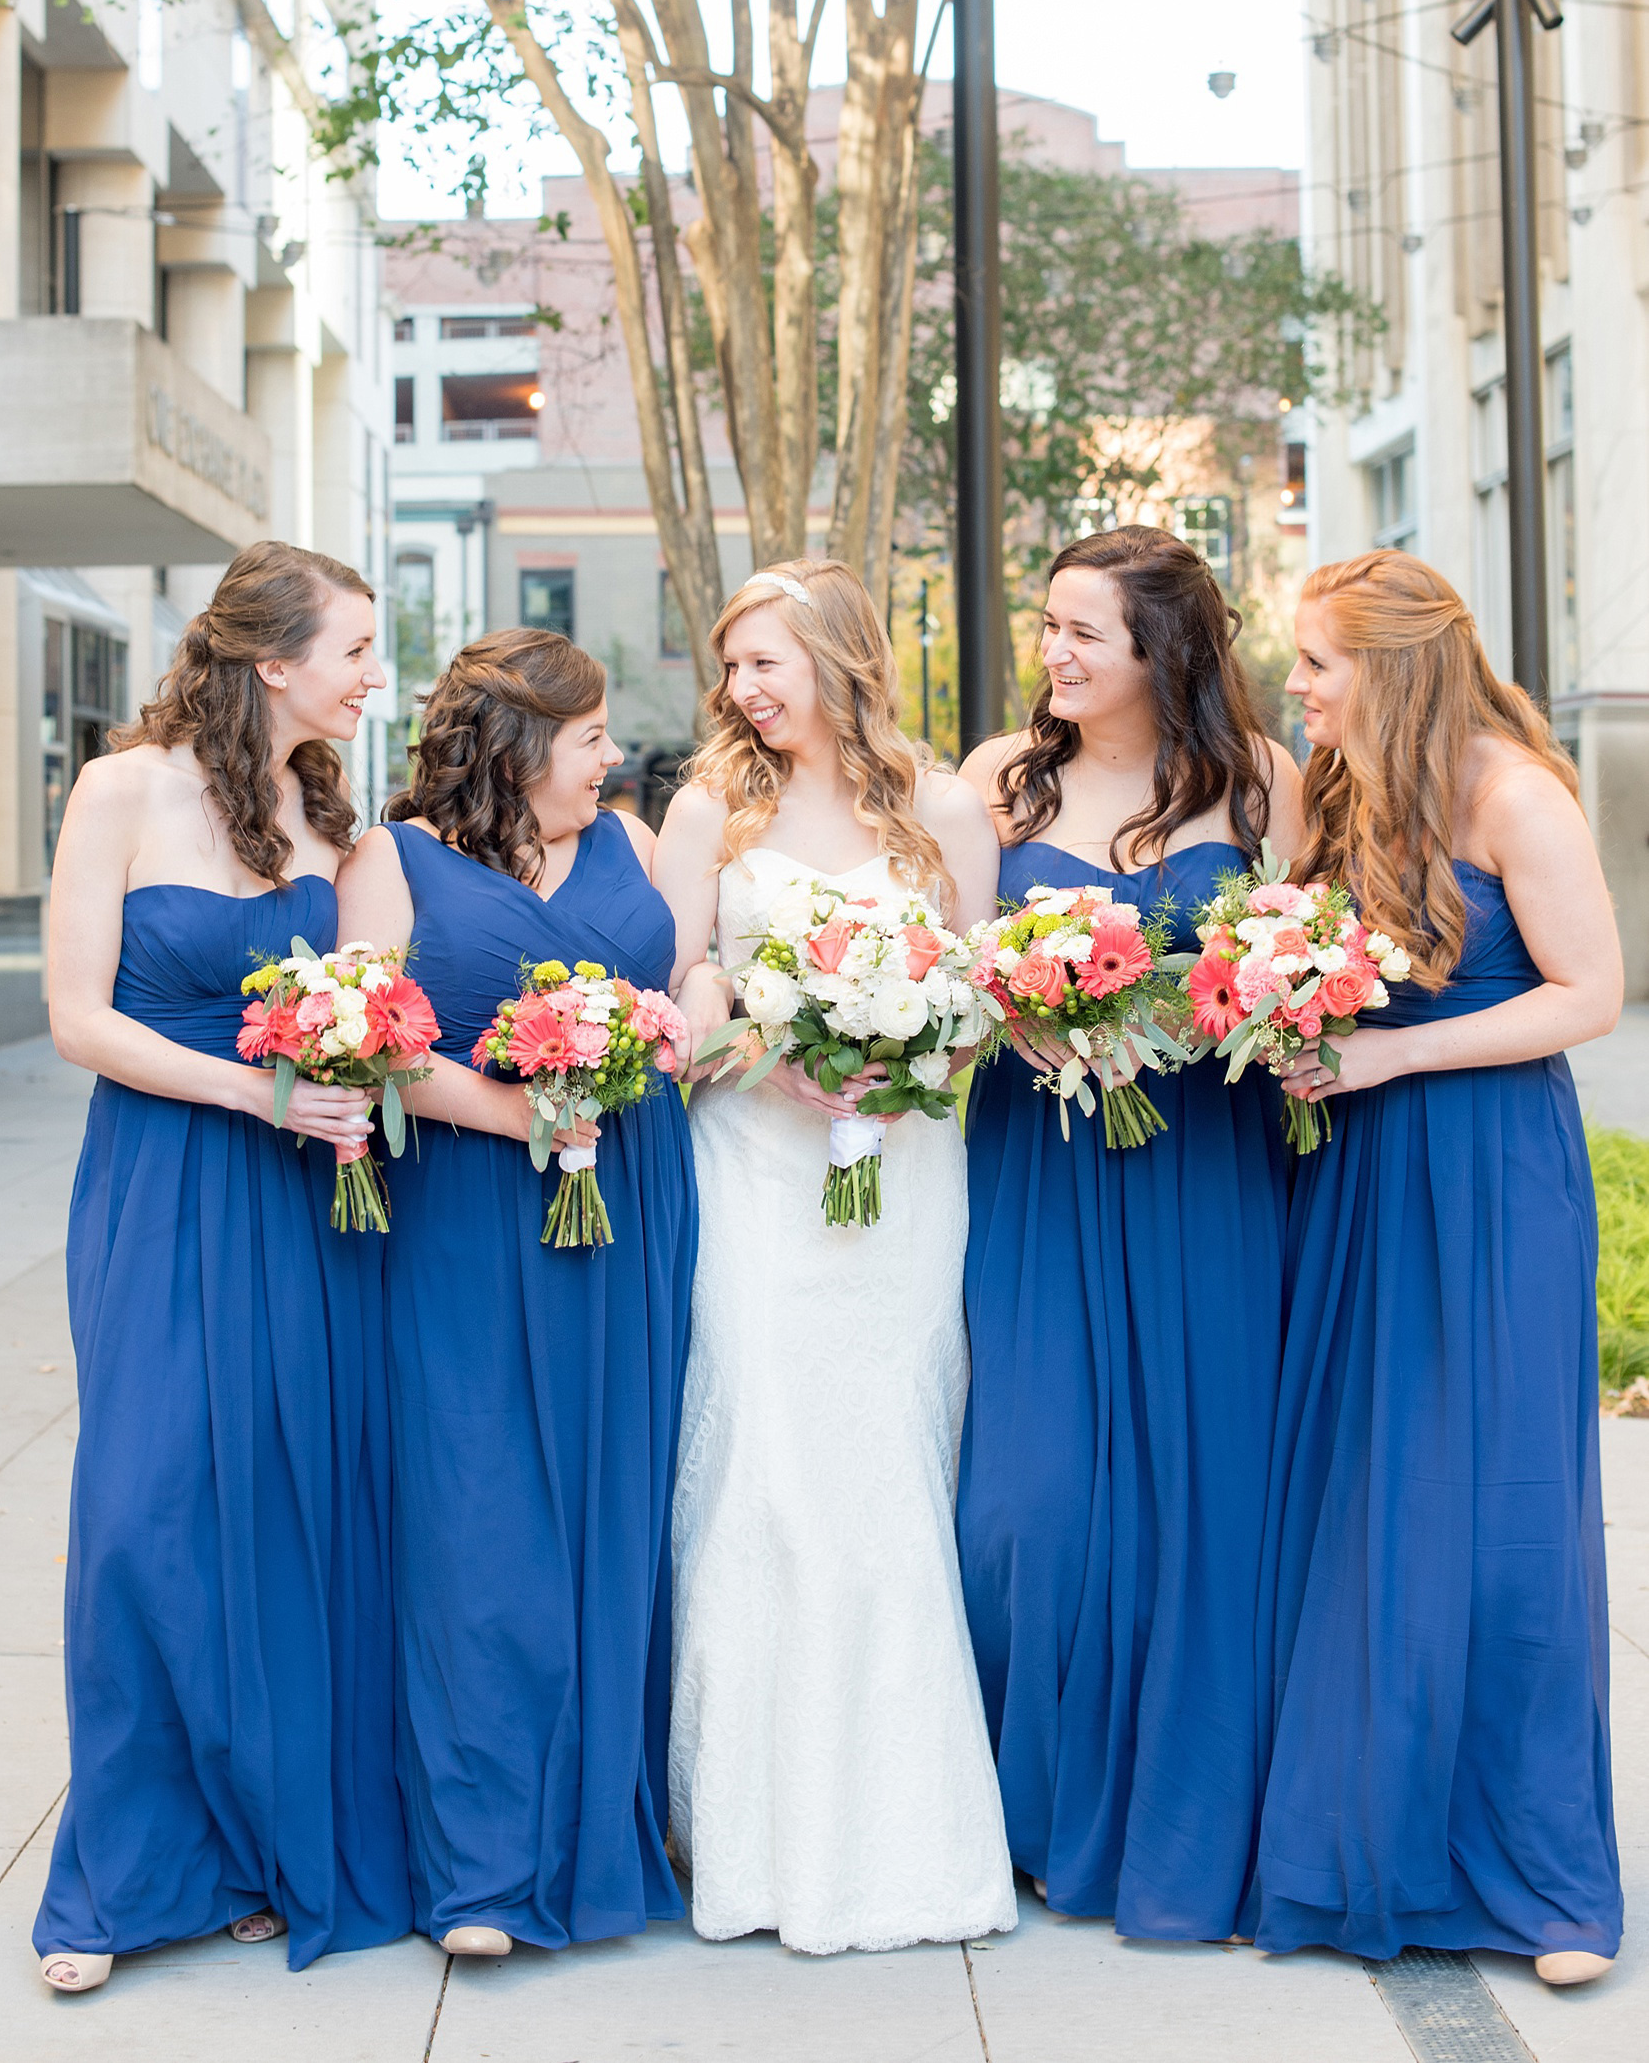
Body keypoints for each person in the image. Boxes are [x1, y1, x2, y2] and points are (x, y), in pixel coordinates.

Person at [34, 543, 408, 1993]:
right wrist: (255, 1092)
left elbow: (367, 1002)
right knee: (148, 1511)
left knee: (285, 1509)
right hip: (168, 1182)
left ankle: (255, 1845)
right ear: (273, 659)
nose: (374, 674)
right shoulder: (120, 788)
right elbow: (78, 1017)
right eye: (357, 648)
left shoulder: (325, 813)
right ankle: (119, 1874)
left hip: (310, 1200)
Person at [1257, 551, 1622, 1982]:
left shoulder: (1518, 790)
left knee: (1505, 1509)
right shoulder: (1338, 789)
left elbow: (1588, 991)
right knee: (1367, 1498)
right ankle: (1372, 1844)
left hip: (1488, 1175)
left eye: (1317, 662)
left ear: (1393, 667)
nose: (1296, 684)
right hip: (1350, 1174)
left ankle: (1545, 1883)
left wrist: (1393, 1046)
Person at [655, 561, 1017, 1956]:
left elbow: (983, 983)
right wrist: (764, 1044)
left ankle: (906, 1828)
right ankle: (750, 1830)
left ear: (836, 655)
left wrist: (913, 1045)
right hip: (756, 1162)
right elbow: (688, 974)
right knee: (762, 1455)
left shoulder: (937, 807)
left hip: (908, 1171)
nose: (744, 688)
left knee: (888, 1455)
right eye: (733, 664)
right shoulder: (709, 806)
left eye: (767, 662)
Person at [956, 526, 1306, 1939]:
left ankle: (1186, 1807)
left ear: (1166, 648)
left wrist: (1222, 1005)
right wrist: (1025, 1007)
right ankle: (1034, 1806)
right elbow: (948, 967)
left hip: (1204, 1175)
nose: (1057, 653)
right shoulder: (1001, 779)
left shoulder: (1262, 784)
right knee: (1025, 1502)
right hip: (1039, 1165)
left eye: (1085, 631)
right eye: (1048, 626)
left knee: (1197, 1496)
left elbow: (1308, 957)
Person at [334, 631, 697, 1958]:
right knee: (479, 1522)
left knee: (616, 1510)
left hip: (630, 1212)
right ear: (521, 743)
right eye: (592, 735)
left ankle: (604, 1827)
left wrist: (678, 1021)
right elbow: (366, 1035)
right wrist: (524, 1115)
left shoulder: (634, 842)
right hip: (474, 1224)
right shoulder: (394, 859)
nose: (612, 756)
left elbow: (677, 989)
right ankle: (482, 1865)